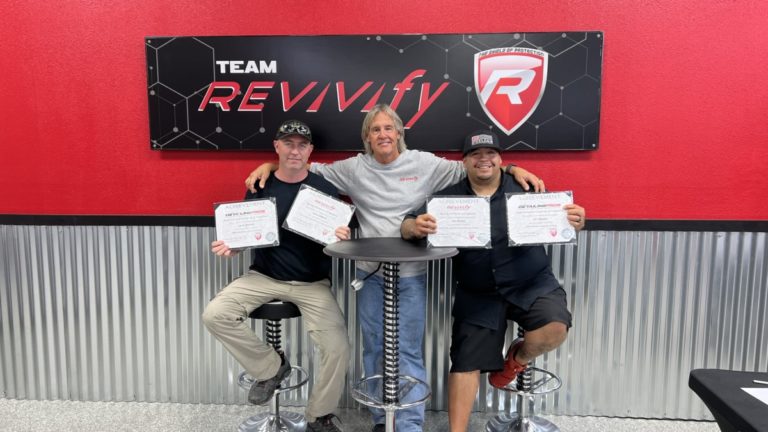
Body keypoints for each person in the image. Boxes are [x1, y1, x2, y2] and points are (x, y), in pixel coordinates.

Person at [244, 105, 545, 432]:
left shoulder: (425, 164)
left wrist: (513, 168)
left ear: (399, 134)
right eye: (375, 130)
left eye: (389, 128)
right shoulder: (353, 168)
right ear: (367, 138)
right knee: (374, 347)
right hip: (370, 274)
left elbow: (477, 167)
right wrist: (269, 164)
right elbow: (301, 166)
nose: (383, 135)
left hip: (412, 275)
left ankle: (410, 424)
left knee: (408, 350)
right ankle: (380, 418)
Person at [400, 130, 586, 432]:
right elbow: (407, 224)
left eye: (490, 153)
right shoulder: (448, 198)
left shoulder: (527, 189)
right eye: (475, 154)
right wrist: (414, 226)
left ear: (501, 159)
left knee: (553, 328)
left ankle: (517, 357)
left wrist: (577, 221)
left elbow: (563, 222)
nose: (483, 159)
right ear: (465, 161)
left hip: (532, 283)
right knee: (464, 364)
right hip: (479, 292)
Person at [202, 120, 350, 432]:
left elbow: (335, 239)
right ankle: (271, 368)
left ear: (310, 151)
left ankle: (318, 416)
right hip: (263, 277)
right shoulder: (259, 185)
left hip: (312, 283)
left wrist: (341, 237)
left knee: (337, 347)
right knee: (215, 314)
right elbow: (246, 232)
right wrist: (234, 248)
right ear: (277, 146)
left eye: (302, 145)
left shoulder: (324, 189)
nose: (295, 150)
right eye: (289, 143)